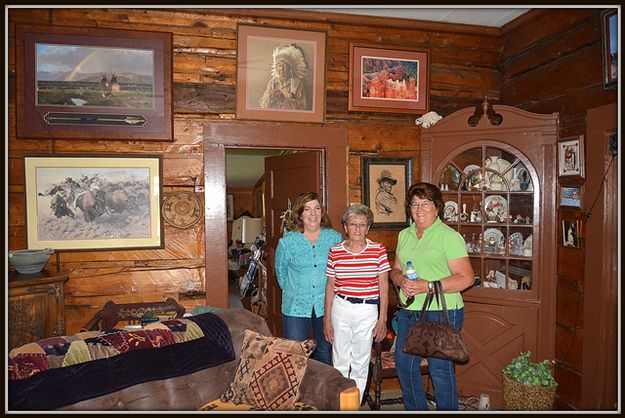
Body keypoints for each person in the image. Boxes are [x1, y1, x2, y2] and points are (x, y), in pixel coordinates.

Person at [389, 182, 474, 410]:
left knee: (440, 370)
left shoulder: (449, 236)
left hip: (442, 311)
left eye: (425, 203)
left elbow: (465, 278)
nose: (419, 209)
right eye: (415, 204)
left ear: (437, 208)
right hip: (409, 310)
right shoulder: (404, 235)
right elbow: (395, 269)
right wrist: (400, 280)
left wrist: (427, 286)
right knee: (404, 365)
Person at [323, 203, 390, 402]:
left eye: (363, 225)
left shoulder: (378, 251)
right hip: (341, 308)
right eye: (353, 224)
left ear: (368, 228)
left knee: (361, 361)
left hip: (367, 309)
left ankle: (354, 403)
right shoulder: (335, 252)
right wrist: (327, 319)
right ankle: (341, 400)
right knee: (340, 358)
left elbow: (384, 287)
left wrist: (382, 319)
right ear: (345, 227)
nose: (358, 229)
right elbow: (330, 286)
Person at [274, 192, 342, 365]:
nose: (313, 214)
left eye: (317, 208)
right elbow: (280, 272)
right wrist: (294, 290)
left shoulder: (334, 238)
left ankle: (322, 391)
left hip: (326, 304)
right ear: (300, 214)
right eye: (307, 209)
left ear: (322, 212)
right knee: (296, 353)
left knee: (324, 350)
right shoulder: (287, 242)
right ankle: (299, 391)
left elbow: (340, 271)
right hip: (295, 306)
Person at [259, 43, 308, 110]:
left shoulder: (297, 84)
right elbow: (263, 105)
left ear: (290, 69)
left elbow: (302, 107)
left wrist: (285, 99)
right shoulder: (272, 82)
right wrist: (270, 96)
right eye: (279, 65)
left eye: (284, 66)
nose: (281, 69)